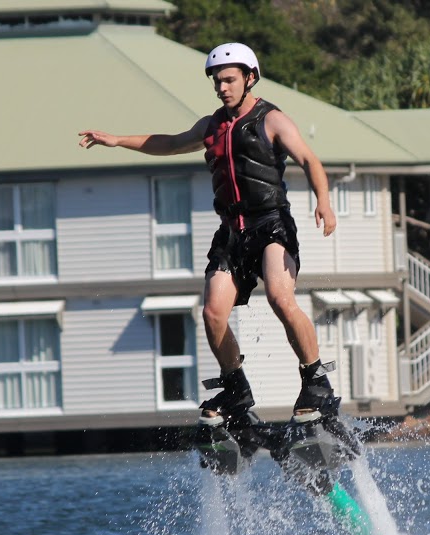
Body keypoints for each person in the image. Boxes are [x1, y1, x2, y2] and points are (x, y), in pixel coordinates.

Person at [79, 42, 340, 434]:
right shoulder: (211, 125)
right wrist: (116, 140)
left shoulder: (273, 120)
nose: (222, 87)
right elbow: (167, 143)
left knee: (280, 297)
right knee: (213, 313)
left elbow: (309, 160)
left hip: (270, 225)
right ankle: (236, 390)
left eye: (230, 80)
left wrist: (324, 200)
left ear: (249, 78)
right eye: (218, 82)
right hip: (231, 232)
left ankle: (316, 381)